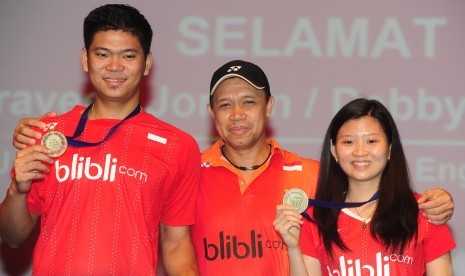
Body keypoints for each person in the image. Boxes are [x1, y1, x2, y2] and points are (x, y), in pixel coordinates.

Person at [11, 61, 455, 275]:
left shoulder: (315, 172)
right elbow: (160, 238)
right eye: (225, 105)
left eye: (249, 102)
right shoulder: (187, 170)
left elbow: (371, 203)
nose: (237, 114)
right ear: (210, 113)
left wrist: (432, 202)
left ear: (270, 107)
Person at [0, 4, 200, 275]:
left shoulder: (178, 146)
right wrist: (17, 190)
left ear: (147, 63)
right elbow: (13, 237)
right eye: (102, 54)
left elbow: (177, 245)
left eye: (128, 56)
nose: (114, 66)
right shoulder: (46, 133)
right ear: (85, 58)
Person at [274, 98, 456, 275]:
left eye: (371, 141)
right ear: (333, 149)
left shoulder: (426, 213)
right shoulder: (314, 218)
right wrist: (293, 248)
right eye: (348, 142)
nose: (360, 152)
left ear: (390, 148)